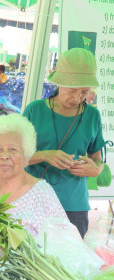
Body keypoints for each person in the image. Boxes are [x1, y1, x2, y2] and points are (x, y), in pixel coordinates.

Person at [22, 48, 105, 238]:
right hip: (33, 200)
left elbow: (96, 158)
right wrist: (44, 155)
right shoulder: (34, 111)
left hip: (74, 205)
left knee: (69, 262)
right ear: (59, 84)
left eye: (84, 92)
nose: (77, 98)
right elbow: (13, 156)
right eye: (72, 90)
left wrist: (96, 170)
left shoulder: (93, 116)